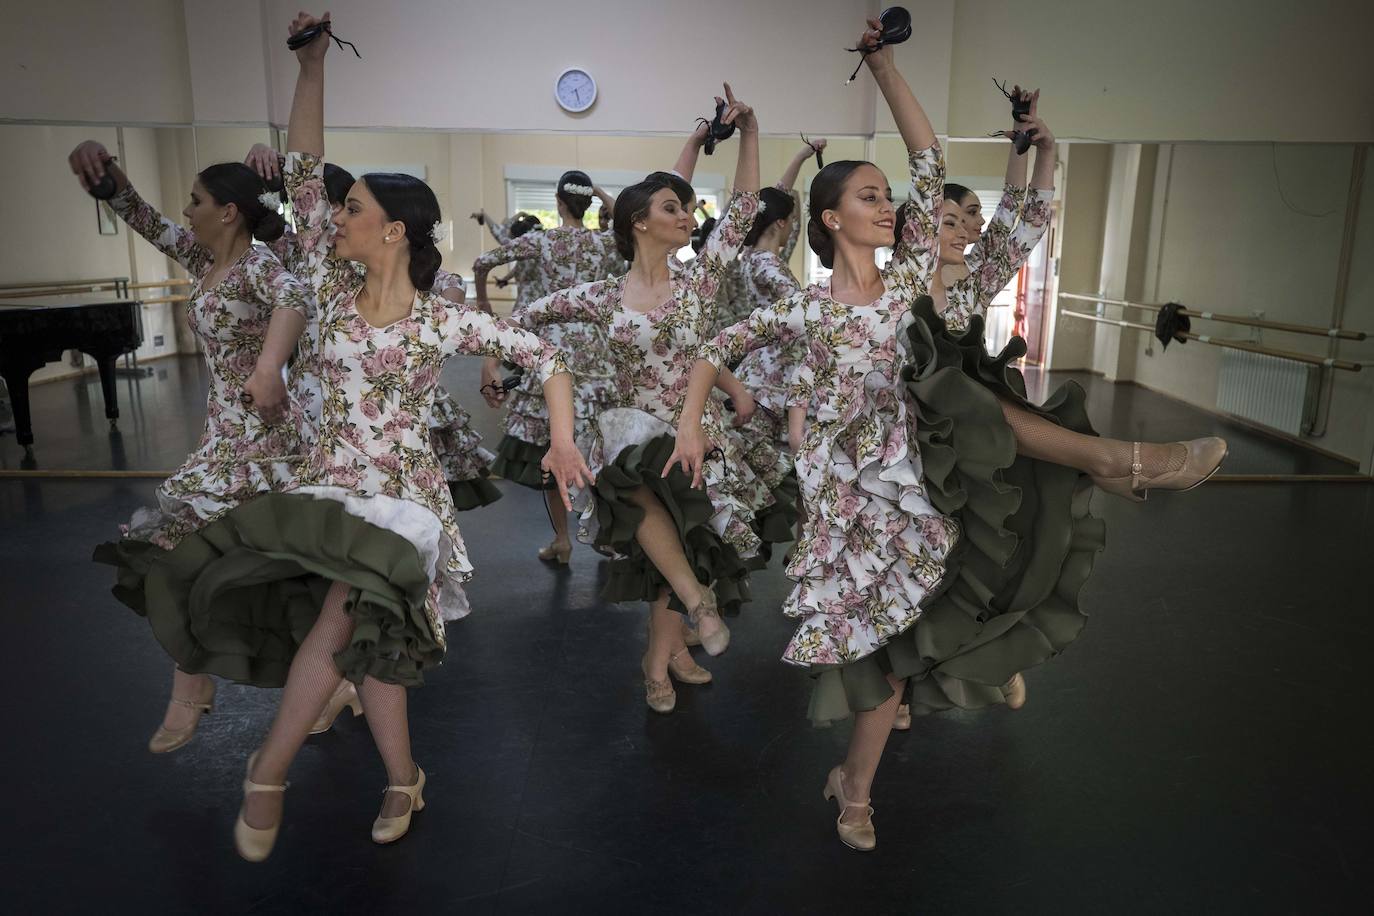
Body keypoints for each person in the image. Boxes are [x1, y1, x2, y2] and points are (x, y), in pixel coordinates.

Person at [671, 18, 1227, 852]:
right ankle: (854, 782)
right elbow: (712, 350)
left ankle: (856, 788)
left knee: (907, 642)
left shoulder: (906, 292)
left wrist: (886, 69)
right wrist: (692, 423)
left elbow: (930, 166)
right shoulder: (804, 307)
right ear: (828, 219)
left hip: (917, 482)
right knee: (877, 651)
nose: (888, 206)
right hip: (844, 501)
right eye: (868, 197)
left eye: (887, 199)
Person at [148, 12, 591, 861]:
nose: (335, 216)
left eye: (355, 210)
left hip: (404, 508)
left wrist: (563, 443)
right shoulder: (321, 282)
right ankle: (404, 778)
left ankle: (266, 774)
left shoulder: (435, 323)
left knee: (342, 622)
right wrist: (313, 67)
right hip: (331, 493)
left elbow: (546, 356)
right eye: (340, 208)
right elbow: (307, 168)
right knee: (376, 660)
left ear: (394, 229)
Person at [517, 83, 764, 714]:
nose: (685, 214)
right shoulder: (602, 294)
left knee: (685, 544)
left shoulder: (699, 279)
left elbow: (741, 210)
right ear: (638, 222)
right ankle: (691, 618)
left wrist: (750, 134)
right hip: (633, 432)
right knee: (636, 489)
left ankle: (662, 656)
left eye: (686, 208)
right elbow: (524, 321)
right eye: (671, 207)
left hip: (694, 430)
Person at [74, 139, 315, 755]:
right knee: (225, 562)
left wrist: (268, 366)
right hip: (223, 432)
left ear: (228, 210)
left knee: (218, 555)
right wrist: (109, 178)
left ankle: (204, 686)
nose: (187, 211)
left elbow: (295, 297)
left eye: (197, 201)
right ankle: (208, 682)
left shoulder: (260, 264)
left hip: (261, 438)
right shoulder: (204, 260)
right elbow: (148, 220)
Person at [472, 177, 618, 565]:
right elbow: (628, 226)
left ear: (557, 201)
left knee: (553, 448)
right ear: (588, 205)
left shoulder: (543, 241)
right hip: (595, 352)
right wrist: (605, 196)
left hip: (551, 351)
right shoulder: (604, 242)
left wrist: (485, 302)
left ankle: (563, 540)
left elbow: (483, 262)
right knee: (601, 450)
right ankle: (606, 535)